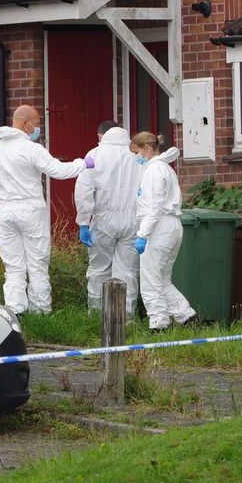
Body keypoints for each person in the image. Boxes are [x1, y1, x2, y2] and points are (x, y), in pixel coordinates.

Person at [0, 105, 94, 315]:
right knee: (37, 264)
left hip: (5, 212)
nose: (38, 128)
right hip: (31, 209)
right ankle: (40, 312)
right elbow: (58, 171)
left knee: (13, 267)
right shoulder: (31, 149)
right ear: (26, 123)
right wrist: (83, 164)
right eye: (37, 123)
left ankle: (16, 312)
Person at [74, 120, 141, 315]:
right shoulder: (136, 155)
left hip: (104, 219)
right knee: (127, 271)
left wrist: (83, 222)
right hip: (132, 219)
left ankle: (96, 315)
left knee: (99, 270)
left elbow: (83, 190)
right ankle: (125, 318)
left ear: (100, 135)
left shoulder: (95, 154)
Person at [131, 131, 196, 332]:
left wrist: (143, 234)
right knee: (162, 279)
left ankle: (158, 324)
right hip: (171, 226)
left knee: (150, 280)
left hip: (158, 228)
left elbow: (154, 206)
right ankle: (186, 316)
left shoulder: (154, 171)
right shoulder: (164, 168)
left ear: (146, 148)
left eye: (136, 152)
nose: (136, 157)